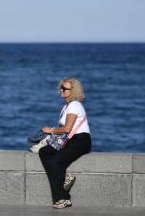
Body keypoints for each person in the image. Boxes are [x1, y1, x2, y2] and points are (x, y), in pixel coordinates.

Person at [39, 78, 91, 209]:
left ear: (73, 91)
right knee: (44, 152)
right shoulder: (66, 106)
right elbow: (65, 131)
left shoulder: (74, 105)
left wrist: (51, 130)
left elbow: (67, 128)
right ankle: (64, 178)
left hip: (81, 140)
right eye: (61, 88)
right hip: (70, 140)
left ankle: (65, 199)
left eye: (65, 88)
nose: (61, 90)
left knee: (55, 162)